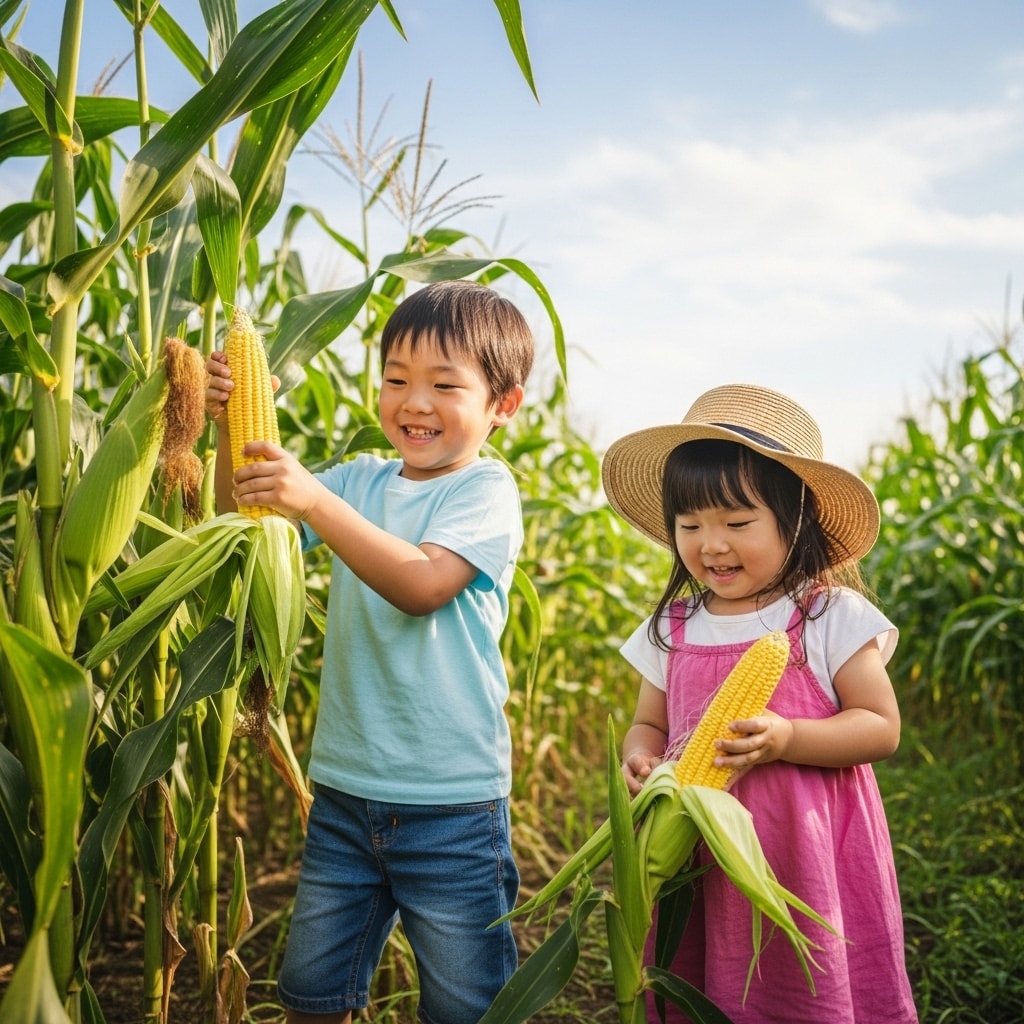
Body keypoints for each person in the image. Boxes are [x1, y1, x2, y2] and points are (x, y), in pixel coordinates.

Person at [205, 280, 535, 1024]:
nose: (413, 402)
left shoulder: (486, 490)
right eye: (395, 380)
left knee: (466, 1004)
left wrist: (315, 502)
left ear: (502, 405)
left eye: (444, 385)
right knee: (311, 993)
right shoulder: (360, 479)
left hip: (451, 805)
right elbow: (250, 520)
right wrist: (231, 431)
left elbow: (423, 585)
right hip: (346, 795)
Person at [600, 383, 919, 1024]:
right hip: (699, 853)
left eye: (737, 524)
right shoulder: (676, 624)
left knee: (803, 982)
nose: (711, 545)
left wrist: (788, 737)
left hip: (803, 854)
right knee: (705, 977)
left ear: (794, 518)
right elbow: (649, 723)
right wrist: (640, 760)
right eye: (690, 525)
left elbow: (880, 727)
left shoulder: (828, 615)